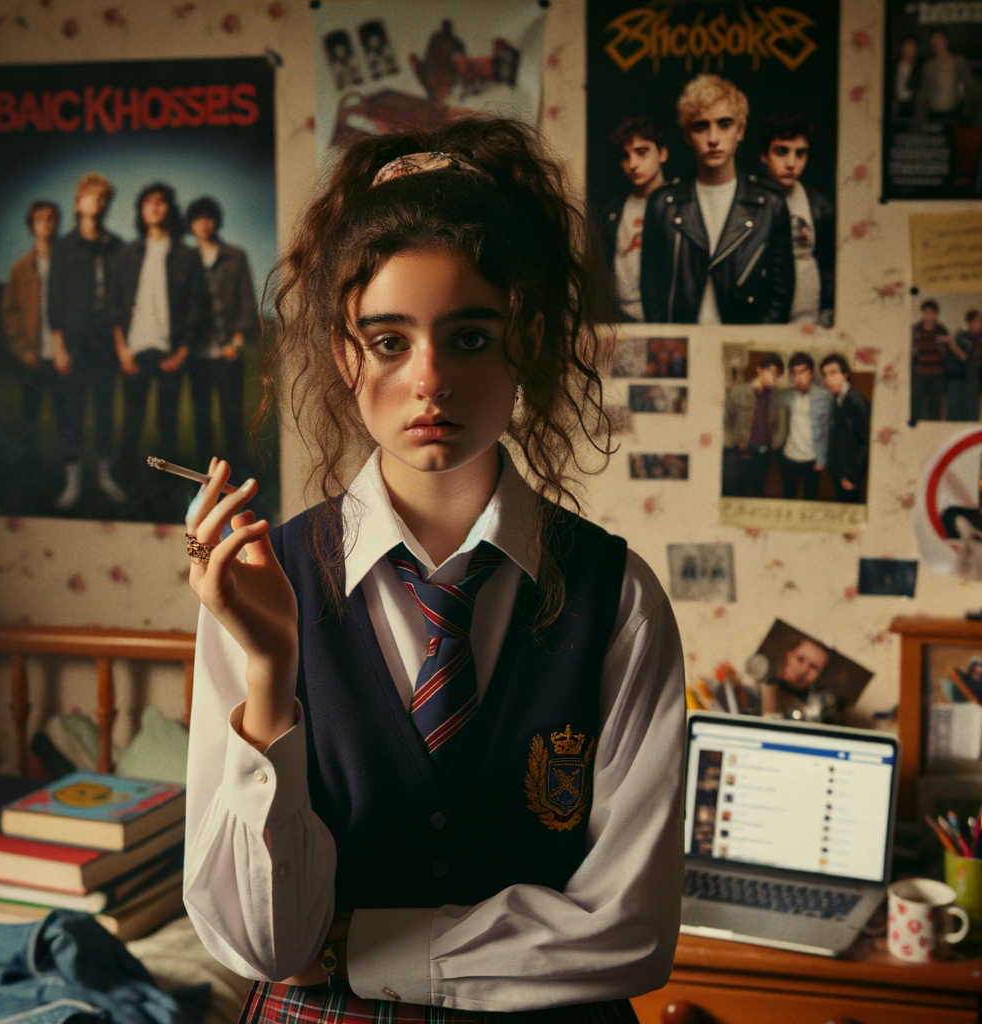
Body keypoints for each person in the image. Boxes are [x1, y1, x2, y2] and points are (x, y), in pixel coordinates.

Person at [181, 120, 685, 1022]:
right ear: (345, 353)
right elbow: (262, 943)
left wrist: (368, 944)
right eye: (388, 341)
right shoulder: (263, 580)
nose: (430, 382)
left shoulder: (618, 597)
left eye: (468, 335)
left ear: (522, 339)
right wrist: (267, 673)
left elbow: (632, 930)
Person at [640, 74, 793, 324]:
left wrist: (757, 349)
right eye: (701, 126)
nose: (713, 139)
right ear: (688, 135)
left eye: (724, 124)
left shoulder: (769, 203)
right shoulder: (662, 204)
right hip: (680, 350)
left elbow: (781, 294)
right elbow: (651, 291)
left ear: (740, 130)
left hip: (745, 349)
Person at [110, 183, 209, 471]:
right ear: (141, 210)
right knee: (132, 421)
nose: (154, 206)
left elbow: (196, 308)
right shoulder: (127, 254)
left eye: (161, 201)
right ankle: (125, 478)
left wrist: (182, 353)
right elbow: (114, 305)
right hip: (134, 351)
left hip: (170, 352)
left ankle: (166, 487)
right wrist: (122, 350)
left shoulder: (187, 256)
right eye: (148, 202)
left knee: (168, 424)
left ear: (170, 208)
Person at [48, 174, 126, 508]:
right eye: (92, 196)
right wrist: (59, 347)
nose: (99, 202)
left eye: (104, 197)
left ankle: (105, 477)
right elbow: (53, 300)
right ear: (79, 203)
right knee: (72, 415)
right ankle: (73, 484)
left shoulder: (115, 245)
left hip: (106, 344)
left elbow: (123, 298)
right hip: (74, 345)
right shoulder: (63, 248)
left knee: (105, 413)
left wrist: (122, 344)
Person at [186, 197, 259, 472]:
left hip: (229, 352)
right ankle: (205, 476)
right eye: (198, 218)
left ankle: (236, 474)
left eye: (209, 217)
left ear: (216, 221)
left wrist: (237, 342)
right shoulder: (186, 259)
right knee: (200, 418)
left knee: (232, 417)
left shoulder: (235, 256)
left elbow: (248, 302)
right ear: (191, 224)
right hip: (197, 355)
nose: (204, 224)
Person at [1, 200, 63, 478]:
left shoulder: (68, 263)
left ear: (57, 223)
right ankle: (29, 470)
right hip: (33, 357)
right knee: (29, 417)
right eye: (39, 219)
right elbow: (10, 310)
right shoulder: (21, 268)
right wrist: (23, 348)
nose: (46, 224)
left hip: (63, 357)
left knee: (65, 419)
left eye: (51, 218)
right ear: (31, 225)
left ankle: (65, 474)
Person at [758, 112, 835, 326]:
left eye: (800, 153)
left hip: (808, 318)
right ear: (764, 155)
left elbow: (828, 264)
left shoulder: (820, 205)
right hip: (763, 318)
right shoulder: (748, 201)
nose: (791, 163)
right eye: (782, 152)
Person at [599, 116, 668, 322]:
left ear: (662, 153)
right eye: (624, 156)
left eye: (641, 152)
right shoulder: (612, 211)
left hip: (668, 317)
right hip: (622, 317)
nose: (632, 163)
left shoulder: (681, 205)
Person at [722, 353, 786, 498]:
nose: (774, 377)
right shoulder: (738, 392)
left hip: (765, 450)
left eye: (778, 375)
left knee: (759, 488)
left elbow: (781, 423)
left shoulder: (776, 396)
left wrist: (776, 442)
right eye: (771, 372)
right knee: (740, 489)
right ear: (759, 370)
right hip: (743, 450)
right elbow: (726, 420)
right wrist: (734, 443)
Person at [779, 352, 830, 501]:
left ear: (811, 373)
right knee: (788, 496)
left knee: (811, 497)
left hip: (812, 459)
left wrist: (822, 459)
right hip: (789, 456)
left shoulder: (823, 396)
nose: (799, 378)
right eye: (794, 373)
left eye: (803, 372)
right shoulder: (787, 395)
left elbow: (826, 429)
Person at [821, 353, 870, 504]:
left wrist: (852, 475)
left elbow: (866, 442)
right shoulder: (836, 399)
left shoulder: (857, 402)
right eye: (825, 375)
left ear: (845, 374)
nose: (828, 379)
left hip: (850, 472)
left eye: (833, 373)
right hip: (837, 468)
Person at [915, 29, 977, 123]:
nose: (937, 44)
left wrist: (966, 108)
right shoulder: (929, 66)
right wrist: (921, 116)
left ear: (946, 41)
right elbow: (923, 92)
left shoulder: (958, 62)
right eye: (933, 41)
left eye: (939, 39)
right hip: (933, 113)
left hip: (955, 111)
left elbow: (971, 86)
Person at [910, 299, 950, 425]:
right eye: (926, 312)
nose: (929, 316)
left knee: (936, 406)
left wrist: (947, 343)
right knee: (916, 404)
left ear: (936, 314)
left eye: (932, 313)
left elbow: (948, 352)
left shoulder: (942, 329)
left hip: (937, 374)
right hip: (919, 373)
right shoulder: (915, 329)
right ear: (922, 313)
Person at [956, 309, 982, 422]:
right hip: (967, 373)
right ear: (970, 323)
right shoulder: (962, 336)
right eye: (978, 322)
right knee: (970, 399)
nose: (980, 324)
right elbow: (965, 356)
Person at [892, 36, 920, 119]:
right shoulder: (894, 65)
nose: (908, 50)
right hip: (896, 105)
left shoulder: (919, 67)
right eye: (906, 46)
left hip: (912, 107)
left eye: (912, 48)